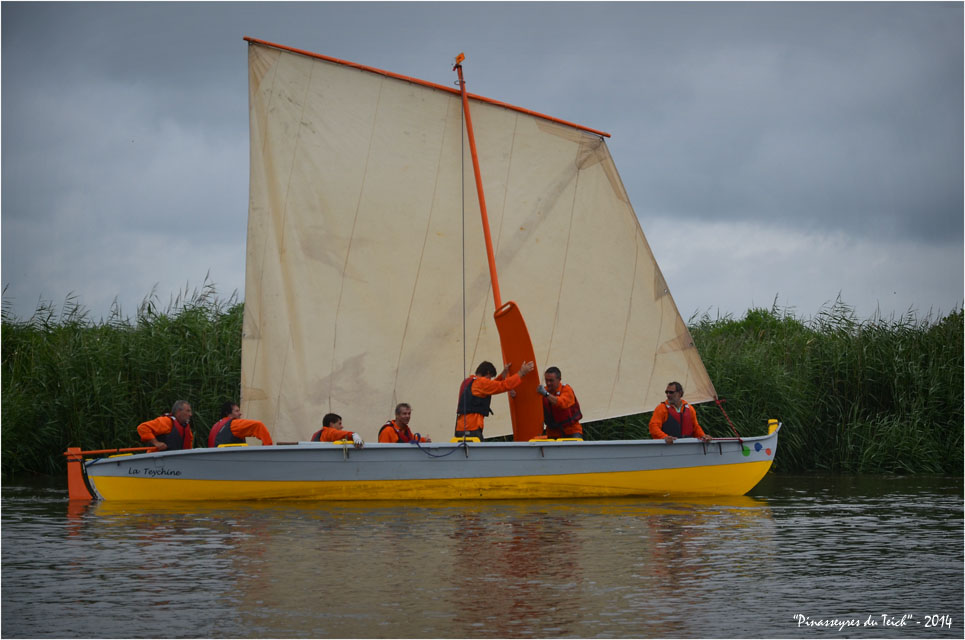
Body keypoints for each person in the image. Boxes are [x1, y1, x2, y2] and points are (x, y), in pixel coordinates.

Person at [455, 360, 535, 439]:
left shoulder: (468, 382)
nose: (489, 380)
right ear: (488, 372)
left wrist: (503, 375)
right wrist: (521, 373)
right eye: (490, 378)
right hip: (472, 428)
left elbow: (491, 386)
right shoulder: (480, 383)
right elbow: (502, 386)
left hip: (460, 427)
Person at [537, 366, 583, 439]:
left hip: (571, 431)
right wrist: (514, 394)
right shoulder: (543, 392)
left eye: (551, 380)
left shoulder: (567, 390)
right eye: (546, 380)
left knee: (575, 448)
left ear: (559, 380)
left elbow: (561, 403)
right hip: (553, 432)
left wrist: (546, 394)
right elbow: (529, 399)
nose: (548, 383)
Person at [207, 401, 274, 447]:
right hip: (232, 460)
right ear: (228, 413)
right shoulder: (234, 424)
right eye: (237, 411)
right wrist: (268, 448)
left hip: (216, 460)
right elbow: (258, 425)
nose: (240, 413)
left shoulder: (216, 425)